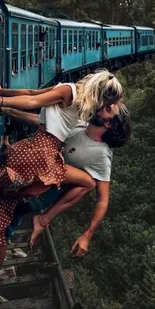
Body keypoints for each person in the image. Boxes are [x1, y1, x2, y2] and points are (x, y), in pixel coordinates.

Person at [0, 71, 123, 263]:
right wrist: (7, 102)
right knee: (6, 215)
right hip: (40, 172)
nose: (101, 107)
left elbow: (102, 198)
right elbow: (40, 110)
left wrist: (86, 235)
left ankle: (40, 220)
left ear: (108, 124)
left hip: (42, 180)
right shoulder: (81, 125)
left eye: (107, 109)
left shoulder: (102, 155)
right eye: (106, 104)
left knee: (88, 182)